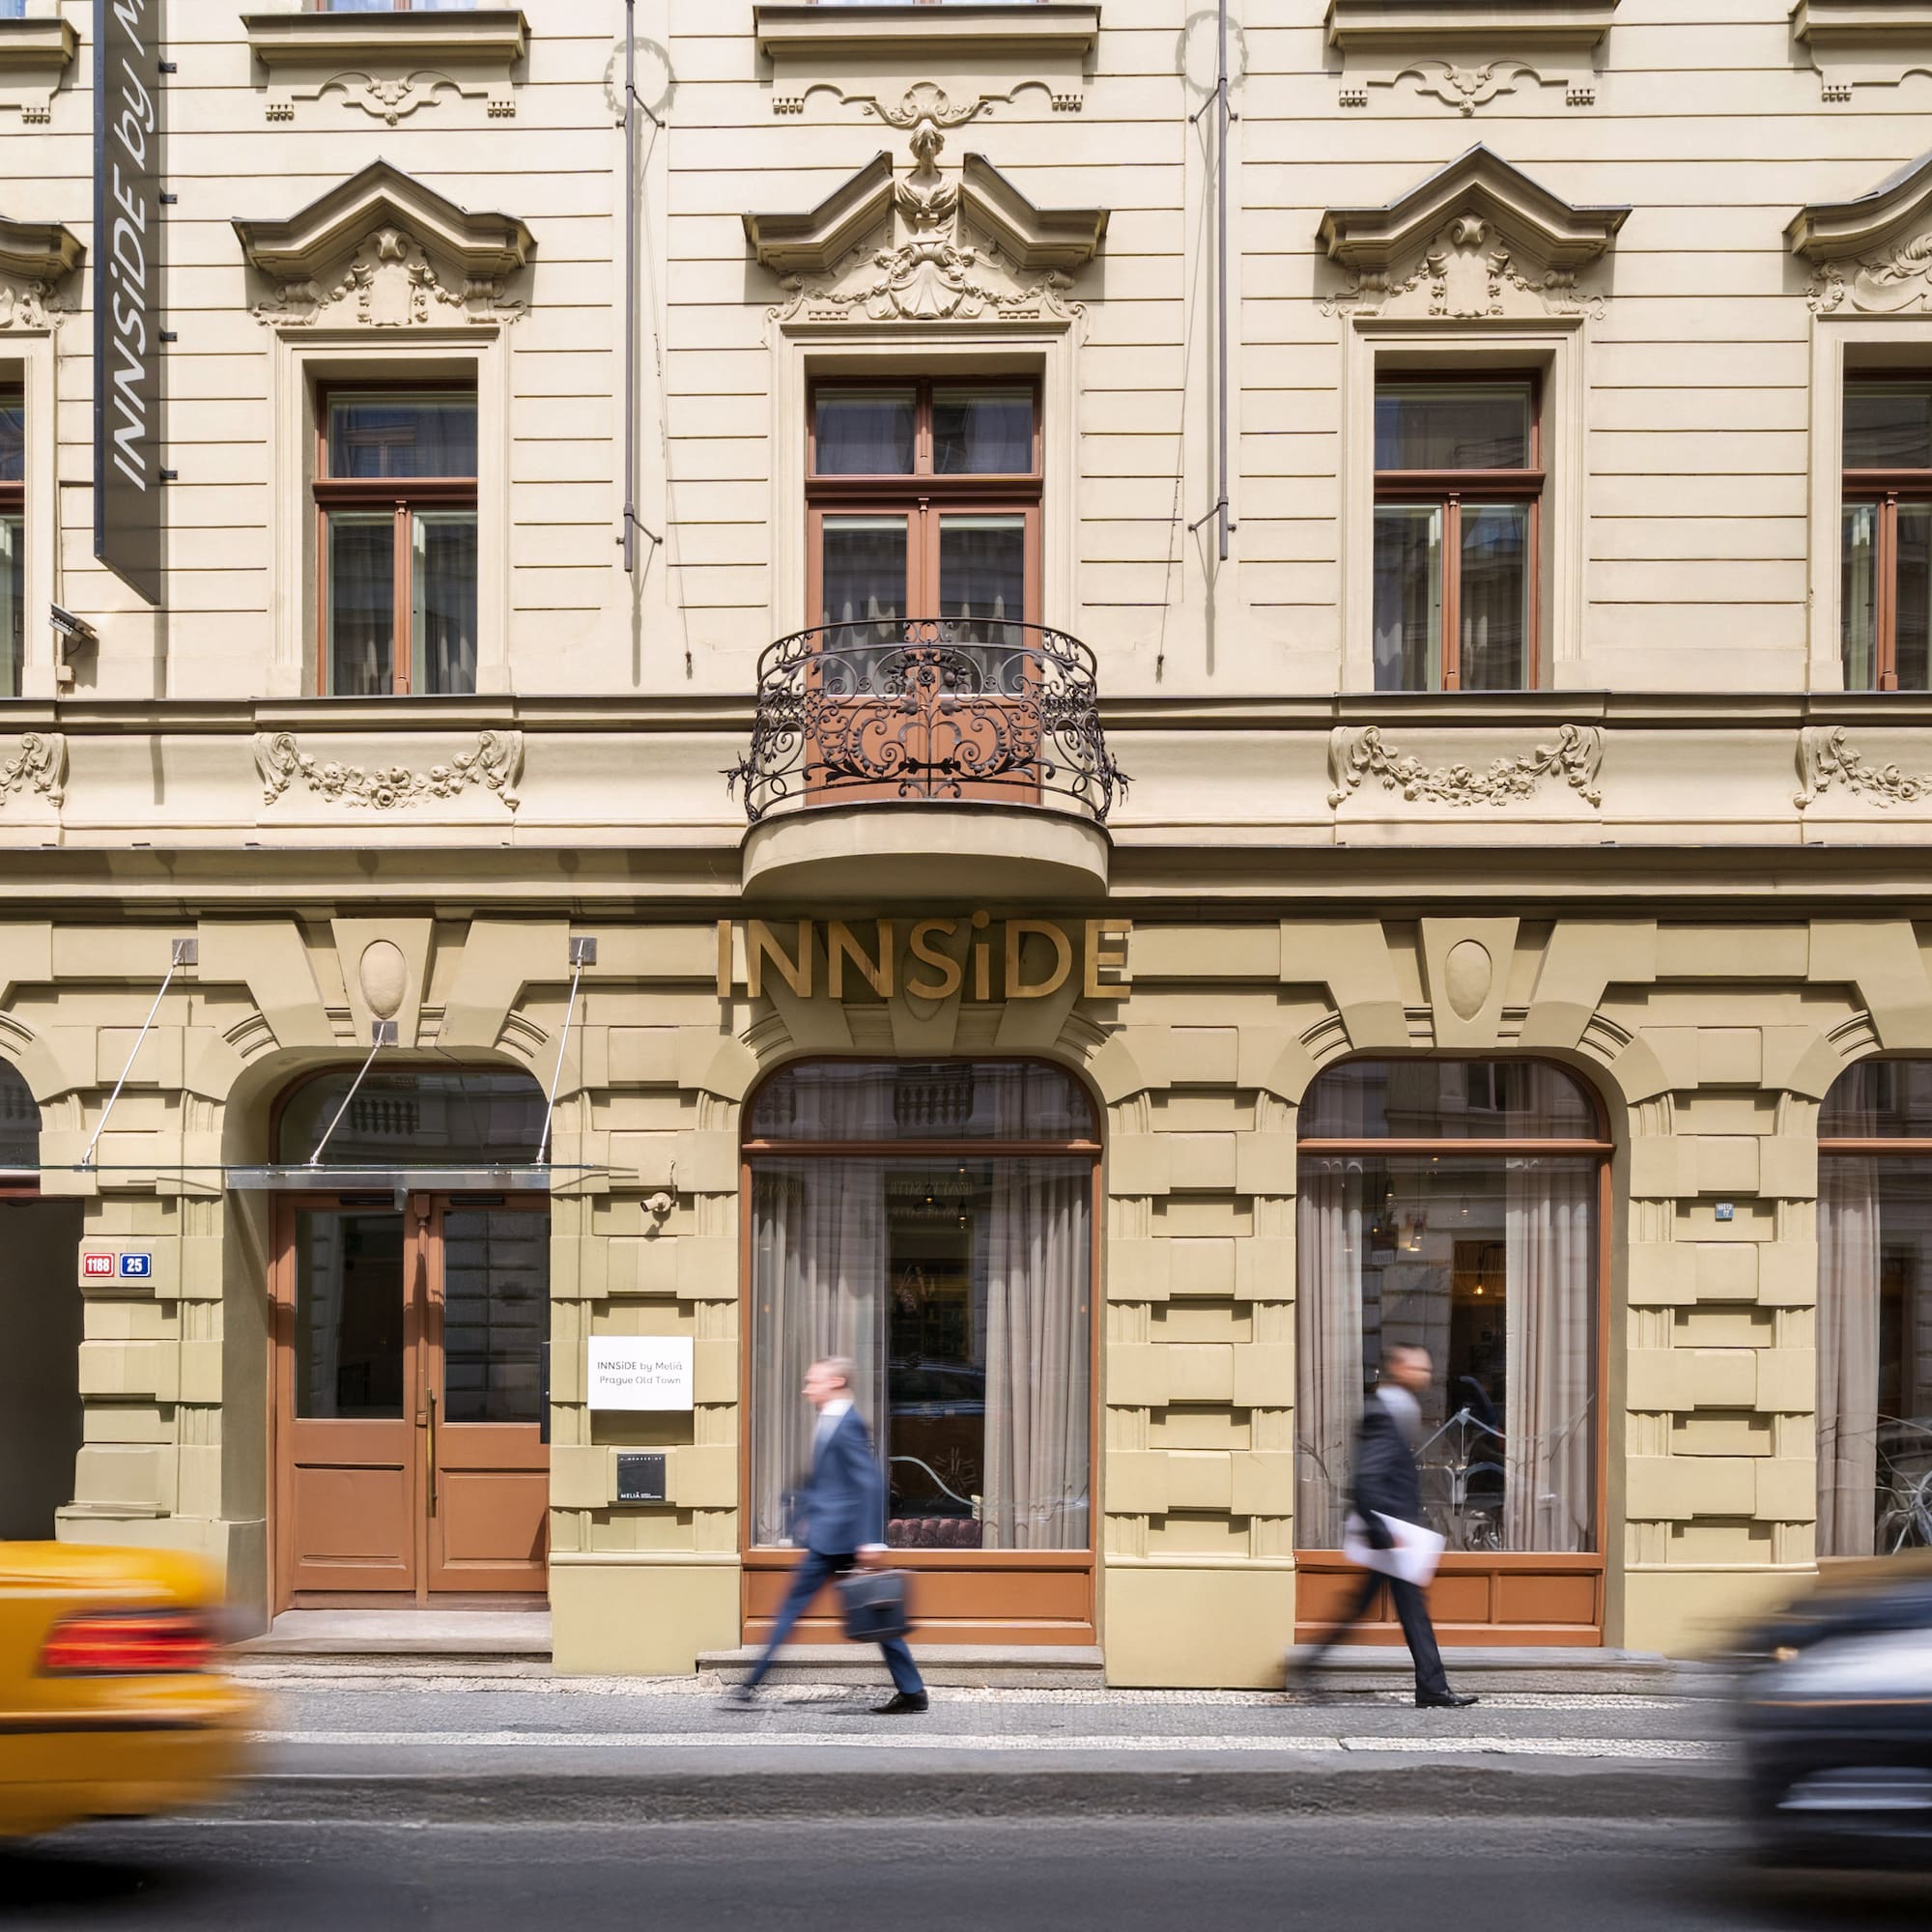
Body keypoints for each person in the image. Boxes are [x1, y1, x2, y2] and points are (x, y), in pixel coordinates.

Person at [721, 1356, 927, 1715]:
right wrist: (807, 1514)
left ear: (834, 1382)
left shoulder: (847, 1423)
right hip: (828, 1535)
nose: (805, 1388)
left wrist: (870, 1539)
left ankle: (751, 1684)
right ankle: (912, 1691)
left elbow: (870, 1481)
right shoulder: (829, 1419)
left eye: (811, 1381)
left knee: (818, 1611)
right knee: (871, 1612)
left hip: (843, 1540)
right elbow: (833, 1480)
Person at [1295, 1344, 1478, 1710]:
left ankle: (1310, 1665)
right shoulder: (1385, 1411)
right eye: (1418, 1368)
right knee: (1411, 1609)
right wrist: (1384, 1530)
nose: (1425, 1375)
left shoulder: (1398, 1408)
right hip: (1390, 1532)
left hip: (1393, 1530)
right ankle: (1432, 1688)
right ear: (1398, 1369)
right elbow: (1368, 1477)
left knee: (1370, 1607)